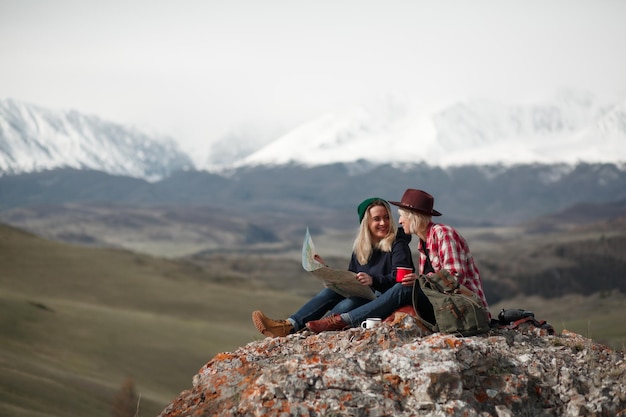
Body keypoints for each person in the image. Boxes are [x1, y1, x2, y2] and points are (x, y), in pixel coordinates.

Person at [305, 188, 490, 333]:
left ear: (413, 217)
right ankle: (307, 323)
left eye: (401, 216)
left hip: (463, 309)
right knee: (405, 289)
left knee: (404, 288)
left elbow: (455, 276)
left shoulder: (443, 233)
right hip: (443, 307)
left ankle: (343, 321)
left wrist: (419, 281)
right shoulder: (423, 244)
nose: (399, 222)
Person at [252, 197, 414, 338]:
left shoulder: (397, 244)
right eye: (377, 219)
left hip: (381, 302)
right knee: (331, 292)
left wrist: (373, 280)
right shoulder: (361, 248)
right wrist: (328, 272)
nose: (383, 223)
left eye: (386, 217)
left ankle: (309, 330)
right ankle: (290, 325)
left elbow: (400, 281)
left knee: (349, 304)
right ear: (366, 223)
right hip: (364, 297)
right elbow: (352, 278)